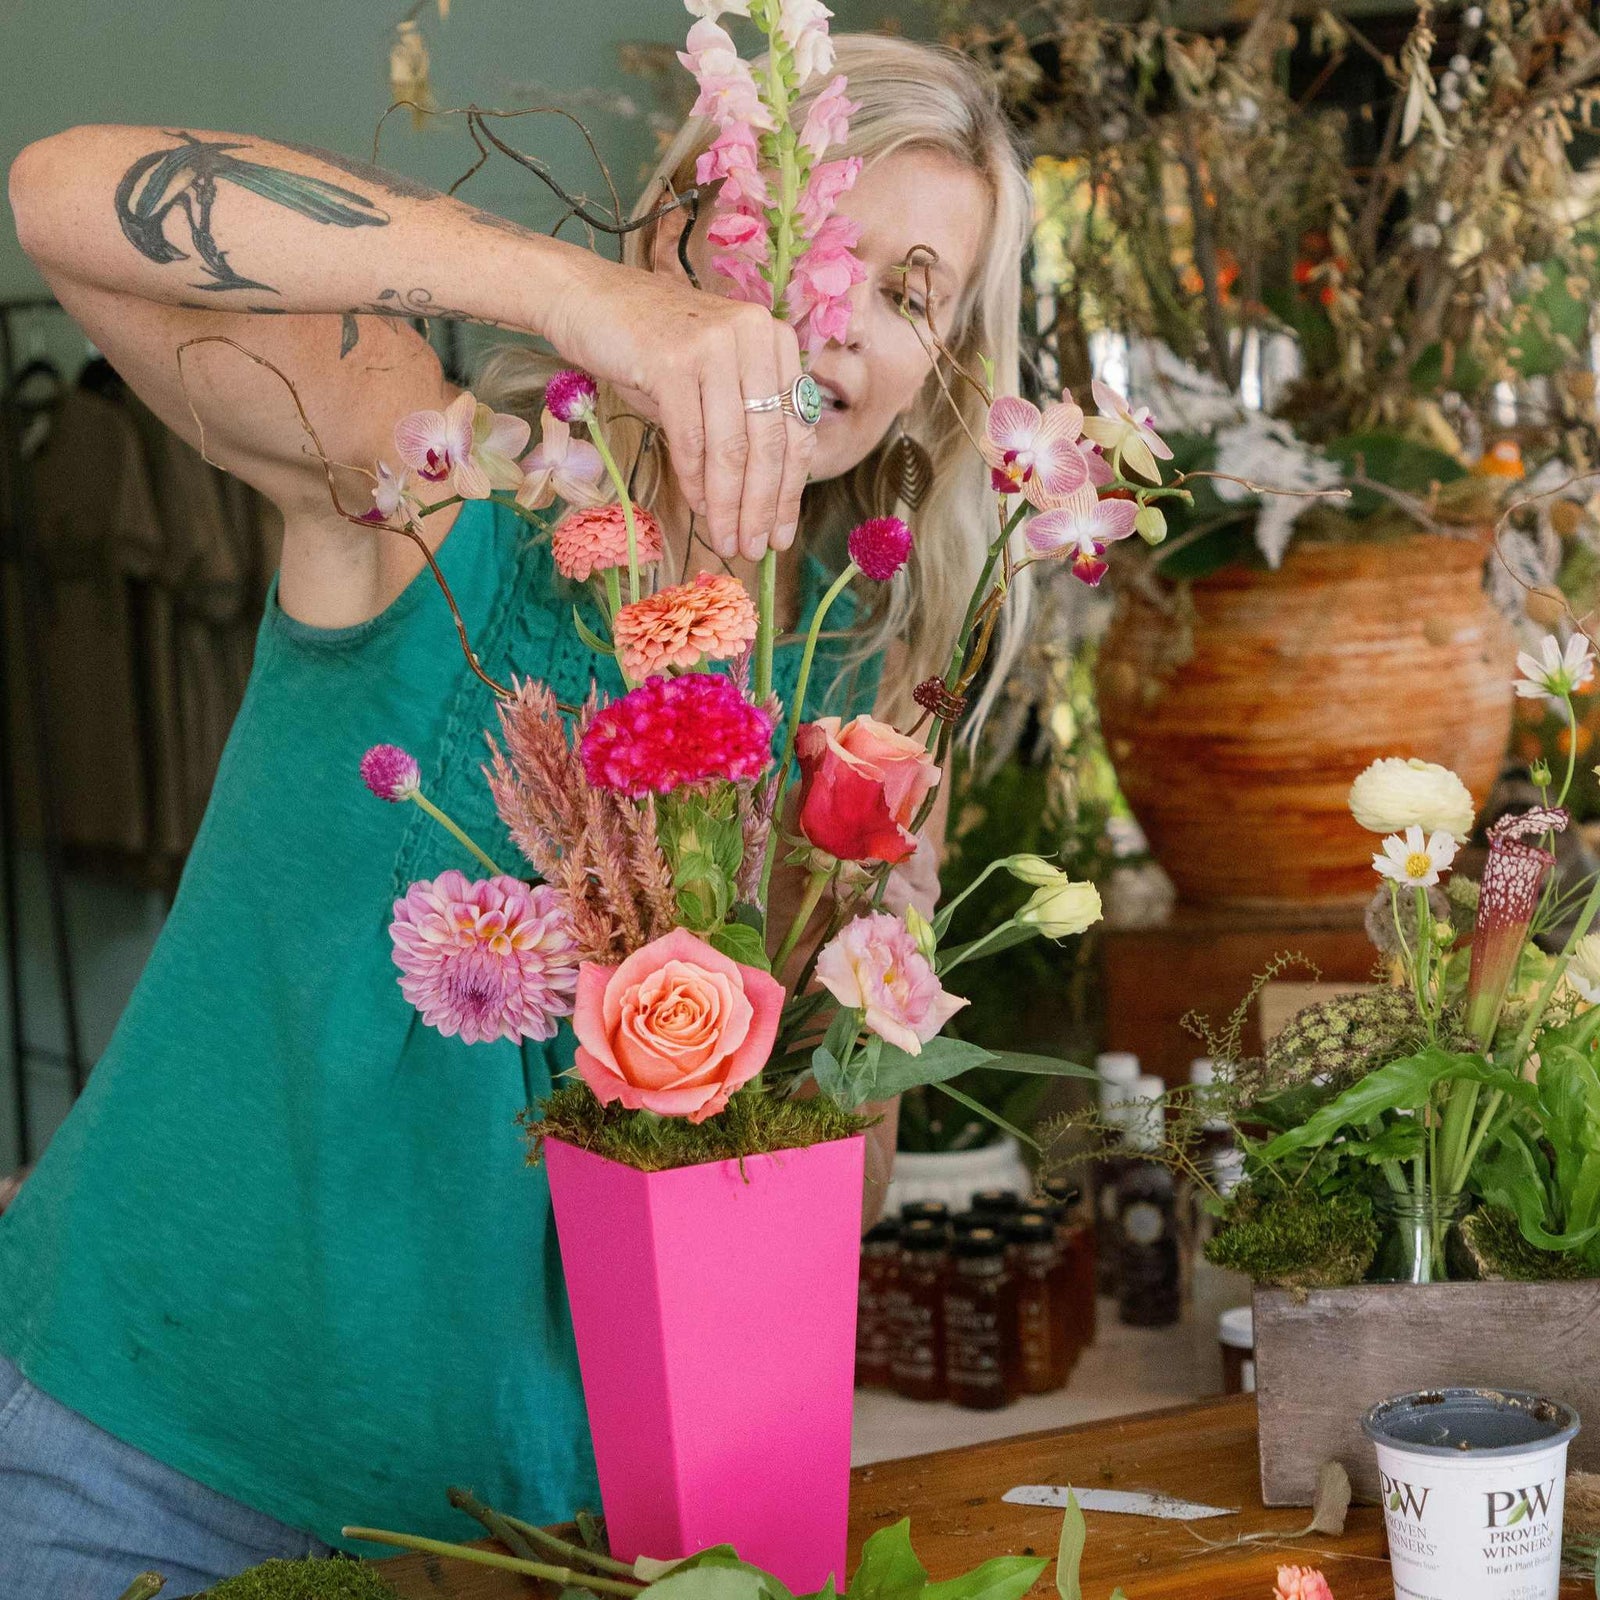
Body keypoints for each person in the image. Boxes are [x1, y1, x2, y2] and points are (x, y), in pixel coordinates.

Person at [0, 33, 1033, 1596]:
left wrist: (837, 957)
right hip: (139, 1470)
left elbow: (829, 1207)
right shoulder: (434, 487)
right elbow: (62, 195)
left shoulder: (854, 734)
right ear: (675, 228)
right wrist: (572, 296)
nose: (840, 313)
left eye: (911, 293)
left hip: (524, 1542)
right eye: (814, 239)